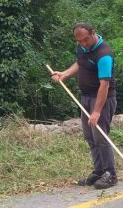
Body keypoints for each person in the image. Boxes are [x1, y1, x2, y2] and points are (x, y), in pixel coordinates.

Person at [50, 23, 119, 190]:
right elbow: (80, 63)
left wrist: (97, 112)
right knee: (90, 137)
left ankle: (110, 174)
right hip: (85, 98)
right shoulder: (82, 47)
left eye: (85, 40)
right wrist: (64, 74)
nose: (82, 44)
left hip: (101, 100)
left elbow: (104, 86)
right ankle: (99, 171)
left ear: (93, 33)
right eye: (79, 41)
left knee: (100, 137)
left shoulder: (104, 55)